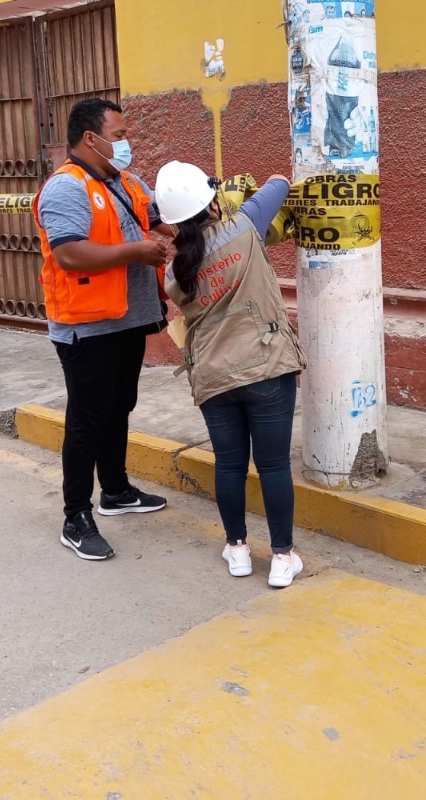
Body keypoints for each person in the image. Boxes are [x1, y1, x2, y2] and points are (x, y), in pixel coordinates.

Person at [33, 98, 172, 562]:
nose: (126, 143)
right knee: (88, 420)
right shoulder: (65, 189)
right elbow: (70, 254)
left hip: (127, 318)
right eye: (118, 135)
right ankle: (76, 516)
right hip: (85, 328)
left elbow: (158, 219)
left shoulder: (126, 181)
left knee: (119, 407)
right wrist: (138, 254)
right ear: (90, 138)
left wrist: (211, 220)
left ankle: (115, 491)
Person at [156, 161, 307, 587]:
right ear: (210, 202)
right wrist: (234, 193)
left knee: (229, 465)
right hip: (265, 368)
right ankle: (281, 557)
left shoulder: (174, 273)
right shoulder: (244, 226)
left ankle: (237, 549)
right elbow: (279, 183)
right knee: (274, 465)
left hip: (213, 377)